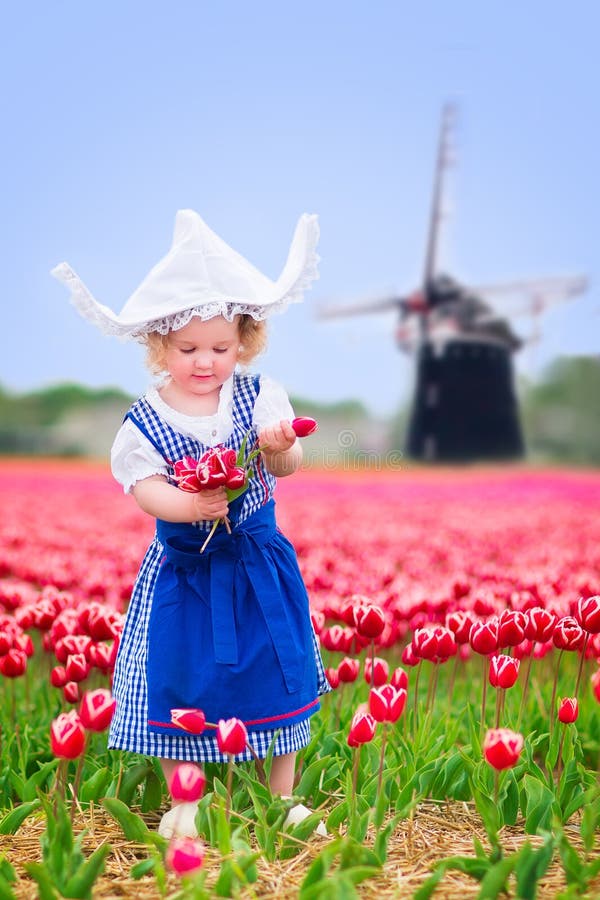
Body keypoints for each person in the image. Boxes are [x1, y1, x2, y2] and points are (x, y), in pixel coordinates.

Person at [52, 209, 330, 837]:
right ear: (159, 347)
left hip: (258, 562)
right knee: (186, 678)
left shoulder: (261, 396)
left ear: (244, 342)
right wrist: (189, 505)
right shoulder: (147, 419)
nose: (205, 362)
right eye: (188, 350)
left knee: (276, 671)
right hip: (189, 573)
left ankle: (280, 797)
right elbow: (144, 488)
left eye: (221, 348)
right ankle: (186, 802)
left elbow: (286, 466)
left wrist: (281, 444)